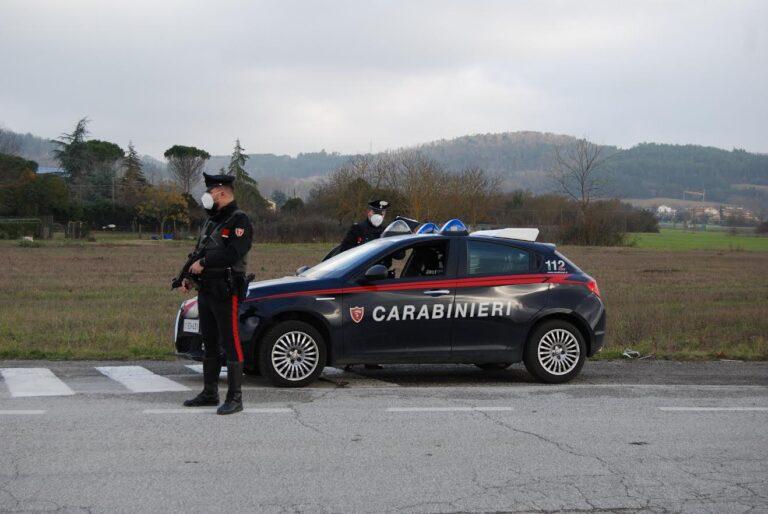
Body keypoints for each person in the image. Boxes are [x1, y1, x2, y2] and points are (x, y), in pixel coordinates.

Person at [180, 172, 253, 415]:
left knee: (230, 342)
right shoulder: (212, 221)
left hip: (226, 289)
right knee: (209, 342)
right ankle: (210, 393)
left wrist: (206, 262)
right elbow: (198, 252)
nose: (207, 196)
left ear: (222, 192)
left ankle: (235, 398)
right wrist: (187, 277)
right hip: (207, 289)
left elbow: (233, 253)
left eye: (211, 191)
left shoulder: (239, 220)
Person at [340, 199, 389, 371]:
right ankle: (351, 358)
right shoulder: (357, 229)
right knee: (357, 319)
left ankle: (372, 358)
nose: (379, 216)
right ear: (368, 213)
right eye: (376, 212)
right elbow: (344, 251)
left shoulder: (386, 232)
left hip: (381, 282)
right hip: (360, 281)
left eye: (382, 213)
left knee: (377, 321)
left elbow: (397, 257)